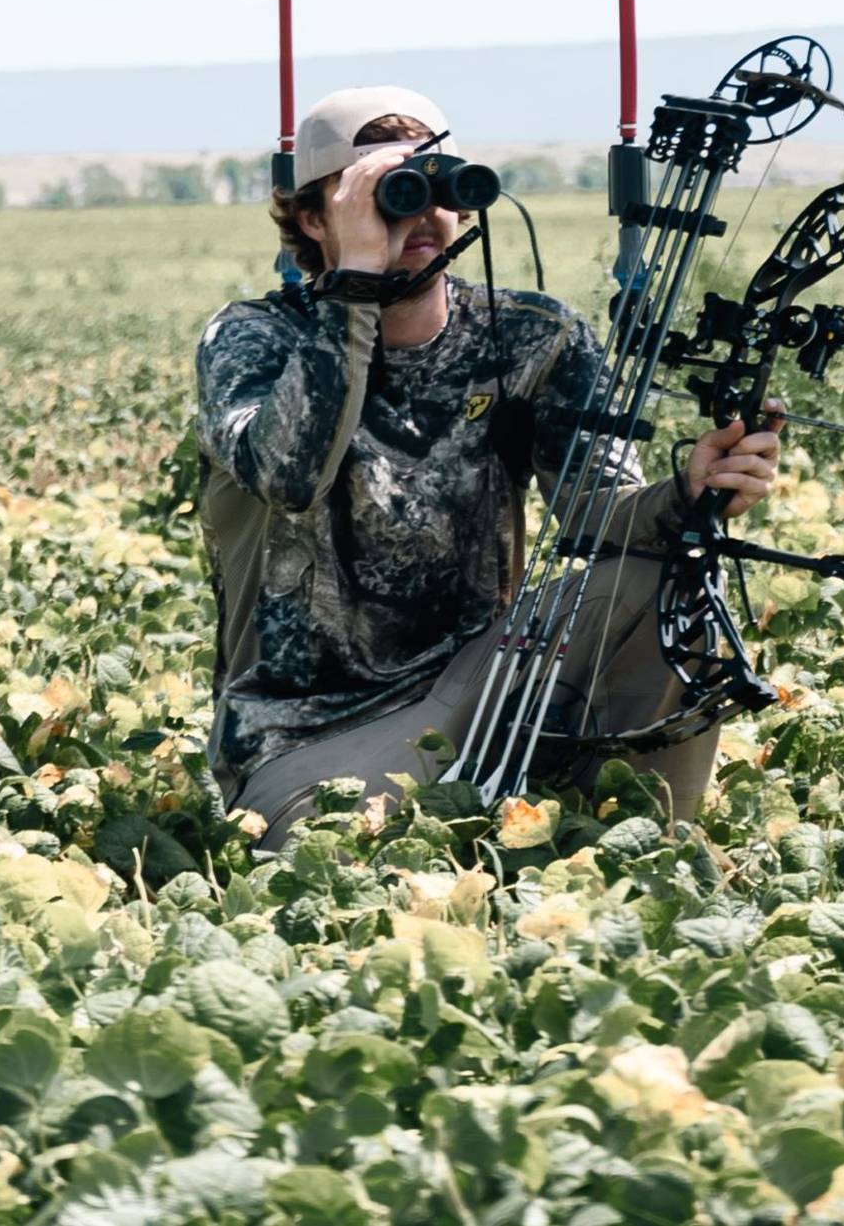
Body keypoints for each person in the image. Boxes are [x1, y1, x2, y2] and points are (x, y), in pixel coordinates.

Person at [194, 87, 783, 849]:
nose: (419, 214)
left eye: (435, 186)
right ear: (314, 218)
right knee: (334, 856)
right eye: (385, 194)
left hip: (480, 684)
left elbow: (598, 513)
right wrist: (358, 282)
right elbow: (289, 472)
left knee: (670, 579)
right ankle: (500, 809)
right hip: (308, 732)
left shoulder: (532, 336)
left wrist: (687, 494)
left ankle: (652, 843)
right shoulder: (251, 339)